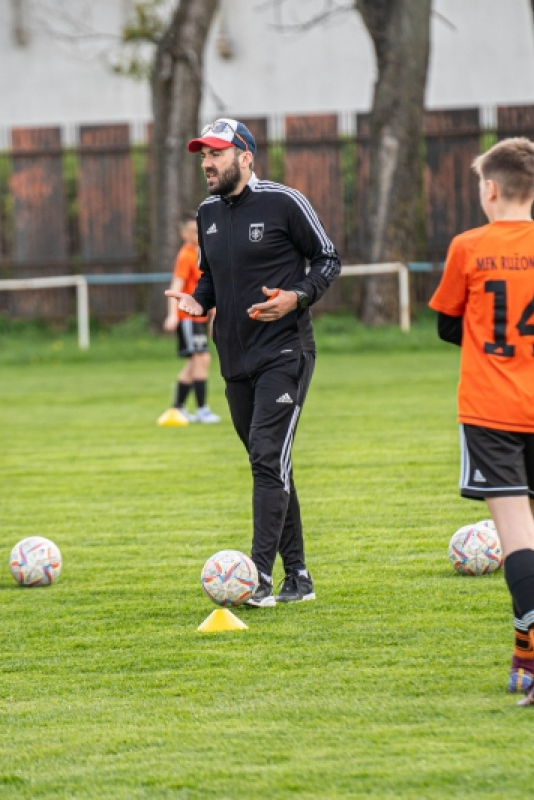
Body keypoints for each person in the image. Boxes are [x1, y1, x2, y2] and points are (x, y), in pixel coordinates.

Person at [429, 136, 534, 706]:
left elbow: (447, 325)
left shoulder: (469, 247)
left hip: (490, 410)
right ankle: (523, 658)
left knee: (514, 532)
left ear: (489, 191)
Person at [166, 118, 341, 607]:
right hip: (234, 360)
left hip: (285, 352)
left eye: (216, 154)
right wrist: (198, 303)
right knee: (270, 464)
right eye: (203, 155)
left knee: (267, 457)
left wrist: (297, 297)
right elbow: (209, 276)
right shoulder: (207, 214)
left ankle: (257, 577)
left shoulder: (284, 202)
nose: (207, 163)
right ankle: (299, 576)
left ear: (245, 157)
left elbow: (328, 259)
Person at [159, 210, 220, 426]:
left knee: (195, 363)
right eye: (194, 231)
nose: (198, 235)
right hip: (187, 318)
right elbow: (176, 286)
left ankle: (178, 407)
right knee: (202, 360)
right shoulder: (186, 255)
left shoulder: (202, 254)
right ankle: (202, 410)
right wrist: (172, 315)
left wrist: (213, 316)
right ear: (184, 234)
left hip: (199, 319)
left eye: (200, 231)